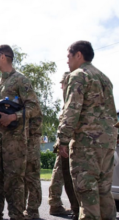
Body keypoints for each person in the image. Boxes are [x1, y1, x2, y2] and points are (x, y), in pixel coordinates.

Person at [57, 40, 117, 220]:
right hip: (107, 144)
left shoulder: (78, 76)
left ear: (78, 55)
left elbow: (71, 110)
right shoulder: (105, 78)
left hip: (86, 144)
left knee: (87, 192)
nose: (67, 61)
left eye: (68, 56)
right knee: (104, 191)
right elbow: (112, 114)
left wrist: (63, 140)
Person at [0, 45, 41, 220]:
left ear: (2, 57)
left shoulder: (20, 80)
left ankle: (17, 216)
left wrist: (13, 117)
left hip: (14, 144)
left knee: (14, 184)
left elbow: (34, 107)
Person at [48, 72, 76, 217]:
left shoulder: (71, 98)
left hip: (67, 142)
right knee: (61, 175)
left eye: (63, 83)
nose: (61, 87)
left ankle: (57, 204)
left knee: (61, 175)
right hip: (67, 144)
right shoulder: (69, 100)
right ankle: (56, 204)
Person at [24, 116, 42, 219]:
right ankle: (22, 209)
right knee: (22, 176)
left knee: (32, 175)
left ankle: (32, 210)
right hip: (21, 138)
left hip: (31, 140)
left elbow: (36, 119)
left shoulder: (30, 100)